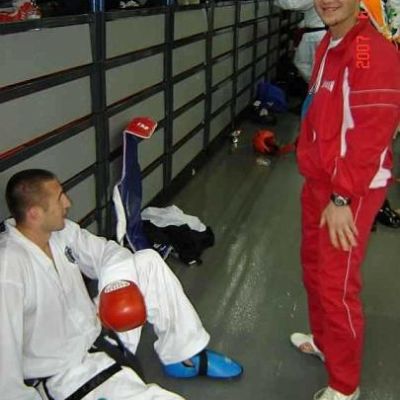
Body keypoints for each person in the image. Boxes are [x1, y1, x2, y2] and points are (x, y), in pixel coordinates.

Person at [0, 169, 243, 400]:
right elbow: (4, 355)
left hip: (98, 331)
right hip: (66, 371)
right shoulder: (9, 268)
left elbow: (108, 252)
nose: (68, 203)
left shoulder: (62, 233)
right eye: (59, 198)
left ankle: (182, 354)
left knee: (147, 262)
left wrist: (115, 290)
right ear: (34, 213)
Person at [292, 0, 400, 399]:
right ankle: (325, 342)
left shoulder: (369, 51)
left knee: (336, 285)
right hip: (321, 180)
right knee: (314, 269)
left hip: (351, 189)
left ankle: (344, 385)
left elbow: (372, 133)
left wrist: (341, 198)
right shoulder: (330, 42)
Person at [274, 0, 326, 82]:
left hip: (316, 35)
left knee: (309, 64)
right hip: (316, 34)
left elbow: (293, 4)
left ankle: (316, 84)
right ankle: (315, 84)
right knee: (305, 63)